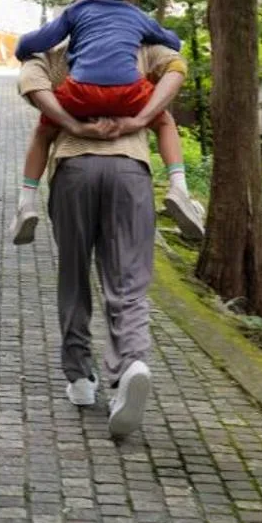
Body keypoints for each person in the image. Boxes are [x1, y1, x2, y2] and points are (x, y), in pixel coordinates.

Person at [18, 36, 185, 439]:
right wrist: (178, 184)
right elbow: (168, 110)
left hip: (73, 170)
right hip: (130, 171)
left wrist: (25, 198)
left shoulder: (58, 59)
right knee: (128, 279)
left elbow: (40, 130)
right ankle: (132, 363)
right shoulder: (143, 52)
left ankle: (79, 377)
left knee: (73, 275)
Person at [11, 0, 205, 246]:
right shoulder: (136, 15)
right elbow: (172, 43)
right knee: (163, 120)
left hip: (81, 92)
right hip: (129, 93)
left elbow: (29, 46)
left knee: (43, 129)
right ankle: (179, 189)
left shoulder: (77, 10)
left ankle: (26, 204)